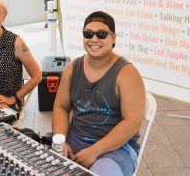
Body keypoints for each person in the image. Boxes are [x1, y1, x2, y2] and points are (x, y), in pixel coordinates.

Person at [52, 11, 146, 176]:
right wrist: (61, 141)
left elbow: (132, 122)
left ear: (113, 38)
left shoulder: (127, 73)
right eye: (88, 34)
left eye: (101, 34)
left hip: (116, 149)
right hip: (74, 138)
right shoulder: (72, 68)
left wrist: (94, 151)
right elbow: (61, 107)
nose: (94, 39)